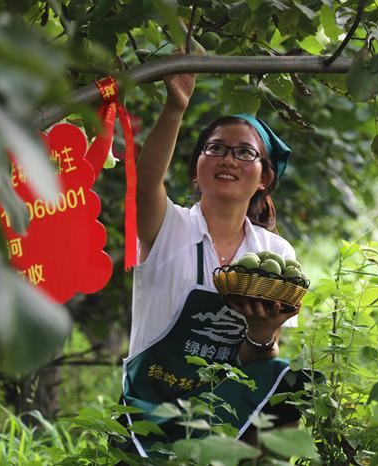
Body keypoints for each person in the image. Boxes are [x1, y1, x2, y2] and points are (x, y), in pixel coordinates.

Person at [118, 72, 315, 458]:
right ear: (196, 168)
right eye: (216, 148)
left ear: (264, 178)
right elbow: (144, 185)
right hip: (153, 400)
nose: (228, 159)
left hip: (226, 406)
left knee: (284, 379)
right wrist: (175, 108)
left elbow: (259, 360)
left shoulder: (276, 253)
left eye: (245, 152)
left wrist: (262, 331)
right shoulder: (169, 228)